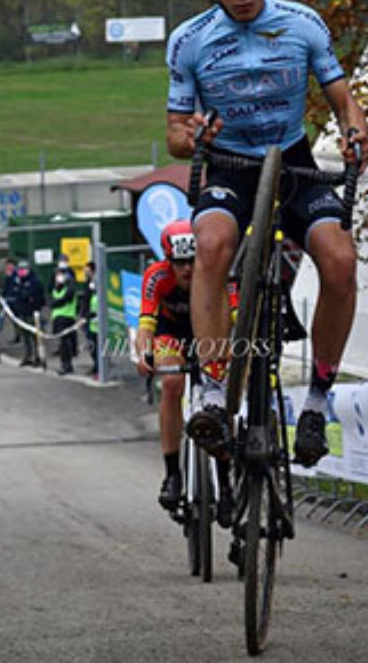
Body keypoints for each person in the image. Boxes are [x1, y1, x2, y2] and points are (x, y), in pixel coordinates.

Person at [166, 0, 368, 468]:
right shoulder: (189, 41)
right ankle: (213, 390)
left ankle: (315, 401)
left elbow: (341, 98)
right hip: (231, 165)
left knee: (339, 259)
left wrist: (355, 128)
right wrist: (195, 137)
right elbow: (175, 135)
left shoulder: (303, 24)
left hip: (293, 160)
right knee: (210, 247)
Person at [135, 221, 232, 515]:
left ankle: (226, 482)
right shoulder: (156, 277)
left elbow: (235, 324)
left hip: (209, 333)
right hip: (172, 334)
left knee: (221, 390)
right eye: (179, 263)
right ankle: (172, 473)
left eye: (192, 261)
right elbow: (145, 325)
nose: (188, 269)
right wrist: (144, 353)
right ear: (168, 260)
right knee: (173, 382)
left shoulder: (216, 274)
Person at [49, 258, 83, 376]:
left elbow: (65, 299)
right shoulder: (56, 288)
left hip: (67, 317)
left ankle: (66, 364)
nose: (57, 277)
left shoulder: (69, 287)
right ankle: (66, 363)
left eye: (60, 274)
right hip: (58, 318)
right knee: (63, 343)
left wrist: (54, 303)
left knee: (65, 343)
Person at [13, 260, 43, 367]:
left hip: (32, 312)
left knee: (34, 336)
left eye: (23, 270)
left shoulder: (35, 282)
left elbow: (35, 297)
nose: (21, 272)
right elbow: (18, 294)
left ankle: (37, 356)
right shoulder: (19, 281)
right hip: (22, 311)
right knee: (25, 336)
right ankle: (28, 356)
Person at [82, 262, 99, 375]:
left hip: (96, 318)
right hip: (89, 318)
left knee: (97, 344)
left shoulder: (98, 283)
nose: (85, 272)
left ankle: (99, 366)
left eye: (87, 270)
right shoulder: (88, 283)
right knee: (91, 343)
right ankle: (96, 365)